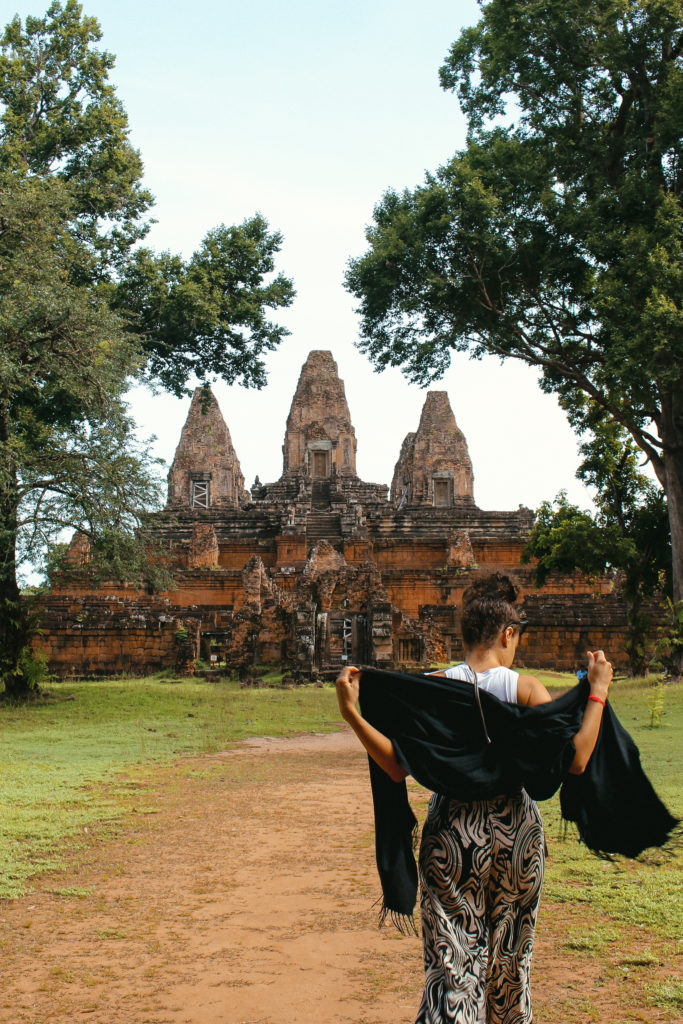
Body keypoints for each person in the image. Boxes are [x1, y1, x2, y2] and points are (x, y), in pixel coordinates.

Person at [336, 573, 613, 1024]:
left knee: (452, 972)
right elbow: (576, 760)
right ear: (507, 634)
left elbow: (395, 766)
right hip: (517, 837)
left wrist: (352, 714)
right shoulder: (525, 688)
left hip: (453, 836)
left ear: (461, 636)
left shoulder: (435, 687)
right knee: (510, 968)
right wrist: (597, 692)